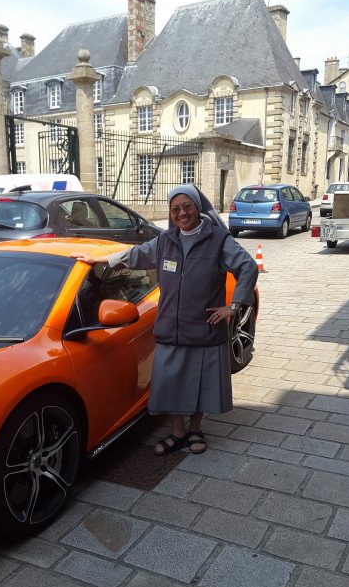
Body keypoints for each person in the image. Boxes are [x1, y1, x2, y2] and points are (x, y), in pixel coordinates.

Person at [71, 184, 258, 456]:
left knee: (201, 385)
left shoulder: (218, 240)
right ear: (171, 213)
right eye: (176, 209)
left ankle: (195, 429)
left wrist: (233, 306)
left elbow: (247, 267)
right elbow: (133, 256)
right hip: (170, 328)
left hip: (205, 329)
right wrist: (100, 259)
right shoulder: (165, 241)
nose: (182, 213)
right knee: (169, 383)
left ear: (197, 207)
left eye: (187, 207)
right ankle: (178, 433)